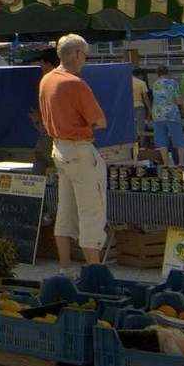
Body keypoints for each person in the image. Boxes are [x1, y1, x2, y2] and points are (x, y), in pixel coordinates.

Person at [40, 34, 108, 269]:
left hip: (58, 147)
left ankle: (65, 265)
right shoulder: (75, 83)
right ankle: (95, 270)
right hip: (79, 149)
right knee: (92, 210)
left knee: (65, 208)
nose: (85, 61)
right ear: (77, 54)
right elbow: (100, 121)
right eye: (85, 56)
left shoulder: (46, 80)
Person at [26, 46, 62, 174]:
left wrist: (38, 120)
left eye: (42, 65)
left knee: (41, 179)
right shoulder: (58, 83)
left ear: (49, 64)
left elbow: (53, 120)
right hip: (53, 141)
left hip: (53, 141)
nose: (41, 69)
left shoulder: (53, 85)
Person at [148, 67, 184, 169]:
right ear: (168, 72)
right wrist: (183, 99)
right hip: (172, 114)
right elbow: (178, 101)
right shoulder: (173, 83)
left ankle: (165, 163)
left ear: (157, 74)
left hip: (157, 115)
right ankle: (181, 162)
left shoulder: (155, 84)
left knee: (162, 140)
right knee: (178, 138)